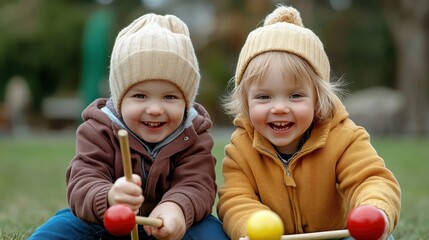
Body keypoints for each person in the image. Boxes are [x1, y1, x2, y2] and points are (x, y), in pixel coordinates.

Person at [29, 13, 229, 240]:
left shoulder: (193, 134)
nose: (155, 109)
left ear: (186, 102)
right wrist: (109, 197)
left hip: (171, 225)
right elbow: (82, 181)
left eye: (170, 97)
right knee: (58, 230)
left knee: (212, 234)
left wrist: (177, 207)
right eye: (140, 95)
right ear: (120, 98)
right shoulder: (98, 130)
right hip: (107, 221)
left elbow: (198, 184)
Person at [217, 5, 401, 240]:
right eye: (264, 97)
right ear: (245, 102)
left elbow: (370, 178)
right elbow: (235, 199)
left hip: (337, 236)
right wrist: (252, 223)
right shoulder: (240, 150)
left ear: (318, 99)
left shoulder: (343, 137)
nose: (280, 108)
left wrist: (374, 208)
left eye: (295, 96)